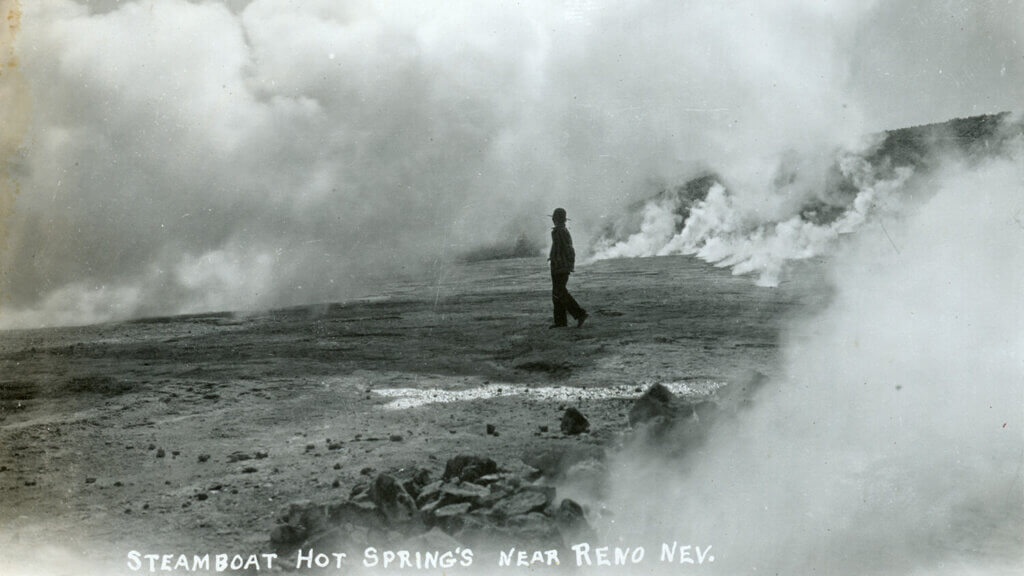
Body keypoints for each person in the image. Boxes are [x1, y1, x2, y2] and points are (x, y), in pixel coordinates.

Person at [548, 207, 588, 328]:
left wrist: (568, 264)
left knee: (560, 292)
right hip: (559, 266)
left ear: (556, 219)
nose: (553, 220)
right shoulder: (561, 231)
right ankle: (560, 322)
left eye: (554, 218)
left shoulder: (559, 231)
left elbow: (568, 249)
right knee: (557, 293)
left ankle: (579, 314)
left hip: (560, 267)